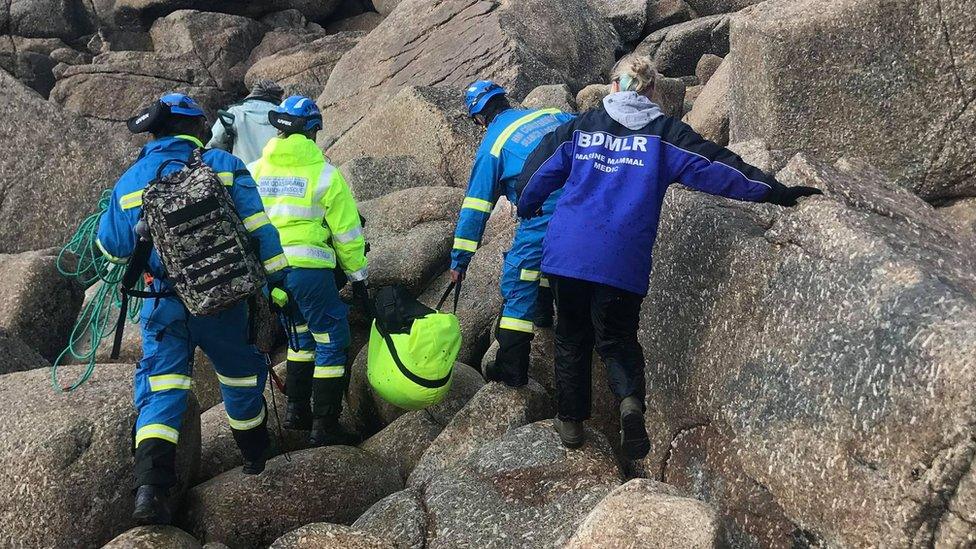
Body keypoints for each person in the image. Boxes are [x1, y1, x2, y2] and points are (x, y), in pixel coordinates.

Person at [517, 55, 821, 460]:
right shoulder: (665, 135)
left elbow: (539, 170)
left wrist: (526, 203)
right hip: (621, 259)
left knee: (572, 335)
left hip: (568, 253)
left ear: (613, 87)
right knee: (617, 337)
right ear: (652, 91)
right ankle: (629, 402)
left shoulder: (581, 127)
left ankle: (571, 423)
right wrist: (777, 192)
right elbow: (719, 167)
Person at [97, 93, 290, 524]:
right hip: (225, 300)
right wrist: (280, 286)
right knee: (241, 381)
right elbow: (262, 234)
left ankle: (150, 491)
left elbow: (111, 249)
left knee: (162, 391)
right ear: (196, 128)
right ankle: (256, 457)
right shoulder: (223, 167)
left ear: (153, 131)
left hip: (164, 307)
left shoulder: (128, 182)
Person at [248, 95, 368, 446]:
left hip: (271, 275)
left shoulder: (255, 170)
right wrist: (359, 277)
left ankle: (295, 410)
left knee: (299, 336)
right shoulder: (325, 175)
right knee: (332, 340)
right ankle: (323, 425)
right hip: (310, 271)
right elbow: (347, 234)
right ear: (313, 131)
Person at [450, 80, 574, 387]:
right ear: (505, 99)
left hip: (545, 210)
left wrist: (459, 261)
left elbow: (475, 209)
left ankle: (512, 368)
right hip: (585, 200)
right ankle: (545, 313)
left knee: (519, 277)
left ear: (479, 118)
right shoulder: (550, 114)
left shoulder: (492, 146)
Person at [207, 80, 285, 165]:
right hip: (275, 175)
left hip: (242, 174)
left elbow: (214, 143)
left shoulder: (234, 112)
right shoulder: (284, 117)